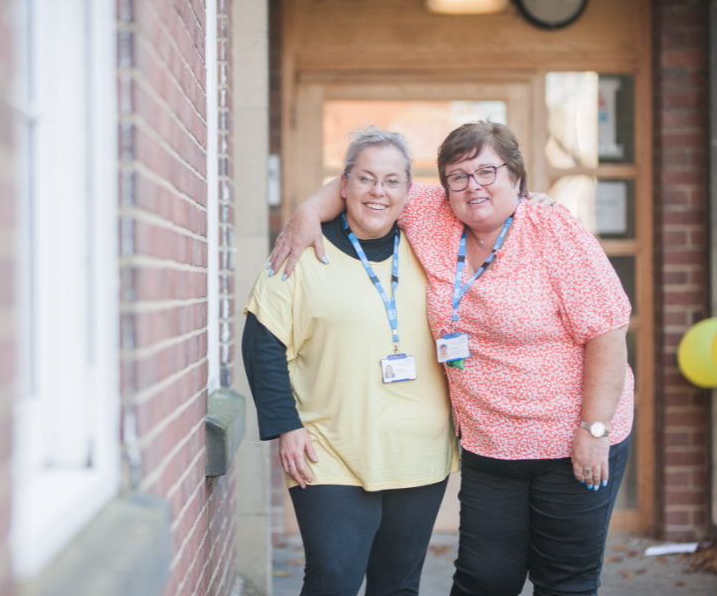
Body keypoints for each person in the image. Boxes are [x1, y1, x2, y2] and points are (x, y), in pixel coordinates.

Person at [269, 121, 633, 596]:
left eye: (487, 172)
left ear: (517, 178)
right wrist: (306, 215)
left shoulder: (553, 229)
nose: (472, 186)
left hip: (571, 442)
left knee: (564, 580)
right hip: (488, 443)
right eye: (457, 176)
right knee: (483, 579)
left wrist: (594, 430)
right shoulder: (433, 214)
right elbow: (366, 183)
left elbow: (607, 332)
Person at [243, 127, 459, 596]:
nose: (378, 191)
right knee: (334, 577)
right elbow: (262, 342)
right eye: (365, 179)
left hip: (418, 451)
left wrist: (536, 203)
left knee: (397, 584)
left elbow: (489, 204)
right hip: (328, 448)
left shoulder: (431, 243)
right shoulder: (300, 252)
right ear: (343, 186)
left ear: (410, 191)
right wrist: (285, 425)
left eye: (391, 181)